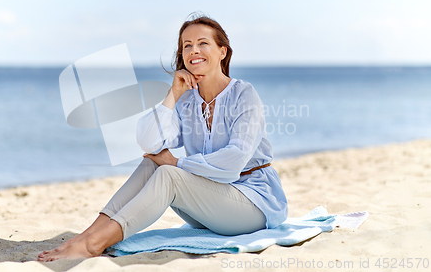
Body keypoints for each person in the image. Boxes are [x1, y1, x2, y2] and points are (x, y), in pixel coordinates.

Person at [38, 14, 288, 261]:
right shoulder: (187, 100)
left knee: (168, 172)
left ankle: (94, 245)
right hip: (212, 202)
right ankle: (85, 236)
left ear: (222, 51)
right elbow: (149, 143)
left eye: (203, 43)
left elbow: (234, 160)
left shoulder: (244, 94)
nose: (193, 50)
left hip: (253, 203)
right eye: (186, 46)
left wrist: (177, 164)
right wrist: (173, 94)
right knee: (152, 162)